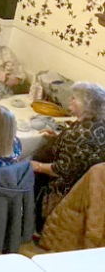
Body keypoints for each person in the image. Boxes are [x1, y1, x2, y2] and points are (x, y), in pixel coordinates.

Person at [31, 82, 105, 221]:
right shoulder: (98, 123)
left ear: (87, 105)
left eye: (74, 98)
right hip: (89, 185)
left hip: (68, 191)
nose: (70, 99)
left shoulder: (80, 134)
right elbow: (78, 150)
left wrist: (37, 166)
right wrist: (59, 137)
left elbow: (61, 170)